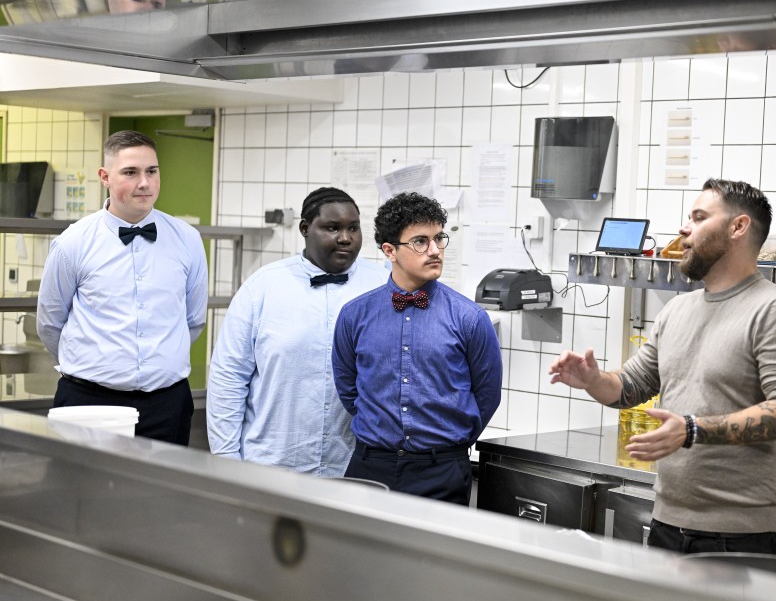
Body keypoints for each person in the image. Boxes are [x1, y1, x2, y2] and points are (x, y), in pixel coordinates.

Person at [548, 178, 776, 555]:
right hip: (666, 523)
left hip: (738, 537)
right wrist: (593, 379)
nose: (684, 228)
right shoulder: (677, 309)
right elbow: (630, 386)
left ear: (738, 227)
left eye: (699, 217)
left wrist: (692, 430)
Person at [37, 130, 208, 445]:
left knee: (163, 480)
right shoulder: (73, 243)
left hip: (168, 405)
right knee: (83, 479)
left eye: (152, 171)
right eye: (131, 172)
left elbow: (193, 319)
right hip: (88, 403)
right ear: (105, 177)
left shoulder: (188, 239)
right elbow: (50, 324)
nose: (144, 183)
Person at [332, 191, 502, 505]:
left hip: (442, 470)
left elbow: (487, 394)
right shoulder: (354, 315)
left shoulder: (470, 318)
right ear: (390, 250)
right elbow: (348, 388)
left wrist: (447, 444)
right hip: (371, 466)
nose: (435, 250)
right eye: (420, 241)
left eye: (439, 238)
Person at [206, 186, 388, 475]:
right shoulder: (263, 287)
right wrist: (226, 456)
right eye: (332, 228)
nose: (345, 238)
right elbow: (228, 377)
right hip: (272, 464)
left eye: (353, 228)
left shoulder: (383, 285)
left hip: (353, 466)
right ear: (305, 228)